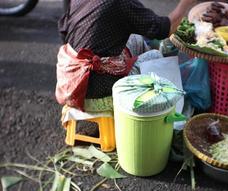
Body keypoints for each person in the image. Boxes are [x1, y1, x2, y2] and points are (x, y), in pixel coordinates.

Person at [55, 0, 197, 111]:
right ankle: (172, 111)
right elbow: (163, 29)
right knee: (155, 57)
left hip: (69, 79)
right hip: (92, 90)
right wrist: (185, 3)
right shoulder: (121, 3)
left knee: (136, 39)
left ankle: (146, 78)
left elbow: (64, 31)